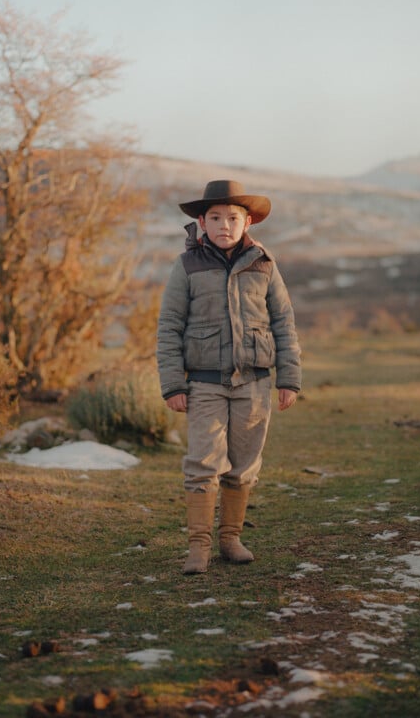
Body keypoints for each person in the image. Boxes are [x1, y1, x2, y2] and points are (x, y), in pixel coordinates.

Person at [156, 179, 301, 574]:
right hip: (203, 382)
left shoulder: (264, 263)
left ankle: (230, 538)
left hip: (254, 381)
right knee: (203, 461)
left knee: (244, 463)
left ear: (248, 221)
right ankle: (198, 546)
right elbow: (169, 325)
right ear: (202, 222)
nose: (224, 225)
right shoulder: (187, 266)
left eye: (233, 218)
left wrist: (288, 378)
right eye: (215, 217)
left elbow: (284, 323)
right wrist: (172, 384)